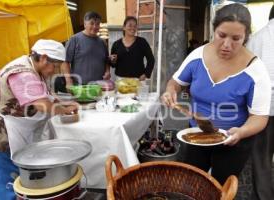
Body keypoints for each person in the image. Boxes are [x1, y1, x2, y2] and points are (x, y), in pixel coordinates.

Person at [161, 3, 271, 185]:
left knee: (220, 188)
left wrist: (242, 132)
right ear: (214, 30)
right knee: (192, 183)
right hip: (196, 134)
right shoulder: (198, 55)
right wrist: (170, 91)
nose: (227, 45)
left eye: (236, 38)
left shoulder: (256, 70)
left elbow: (259, 118)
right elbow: (176, 82)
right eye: (221, 35)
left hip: (233, 141)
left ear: (246, 37)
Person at [0, 39, 78, 200]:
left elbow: (47, 96)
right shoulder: (22, 73)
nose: (55, 70)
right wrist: (63, 110)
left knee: (20, 178)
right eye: (55, 66)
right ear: (43, 58)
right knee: (6, 183)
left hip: (13, 131)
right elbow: (42, 104)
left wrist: (62, 103)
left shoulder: (37, 70)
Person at [246, 5, 274, 200]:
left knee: (262, 159)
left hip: (263, 109)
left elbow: (246, 76)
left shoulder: (255, 39)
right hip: (263, 108)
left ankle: (264, 196)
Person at [60, 11, 110, 89]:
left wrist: (107, 71)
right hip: (80, 86)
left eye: (97, 24)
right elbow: (65, 61)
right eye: (92, 23)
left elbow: (106, 61)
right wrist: (68, 80)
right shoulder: (74, 39)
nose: (95, 26)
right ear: (85, 24)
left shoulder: (102, 42)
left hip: (99, 86)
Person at [110, 16, 155, 81]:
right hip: (121, 80)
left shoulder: (142, 42)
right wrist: (113, 61)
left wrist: (146, 74)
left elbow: (151, 59)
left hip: (138, 79)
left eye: (135, 26)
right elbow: (113, 64)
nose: (133, 28)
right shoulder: (116, 44)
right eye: (130, 25)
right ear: (124, 27)